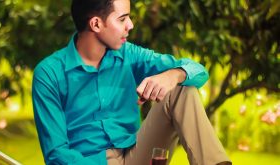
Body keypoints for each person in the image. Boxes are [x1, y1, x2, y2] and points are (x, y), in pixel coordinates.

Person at [32, 0, 232, 164]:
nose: (130, 25)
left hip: (137, 152)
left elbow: (198, 71)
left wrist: (172, 75)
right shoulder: (49, 74)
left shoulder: (130, 54)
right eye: (122, 19)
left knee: (182, 89)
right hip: (91, 161)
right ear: (96, 24)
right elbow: (57, 154)